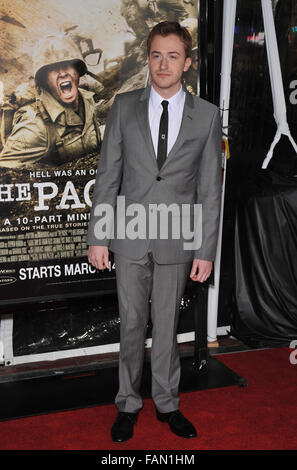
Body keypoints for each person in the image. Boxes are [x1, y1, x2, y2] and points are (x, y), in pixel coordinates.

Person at [87, 21, 222, 442]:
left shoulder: (207, 116)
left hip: (177, 237)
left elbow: (209, 190)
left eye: (173, 56)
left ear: (187, 63)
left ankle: (167, 402)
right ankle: (127, 403)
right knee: (131, 324)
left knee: (166, 325)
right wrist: (98, 236)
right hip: (128, 234)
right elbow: (108, 177)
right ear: (148, 58)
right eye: (157, 55)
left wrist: (205, 249)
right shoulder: (124, 107)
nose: (164, 64)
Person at [0, 35, 101, 168]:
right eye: (53, 69)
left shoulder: (88, 100)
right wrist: (44, 173)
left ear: (77, 71)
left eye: (68, 65)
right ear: (44, 80)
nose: (62, 73)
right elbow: (5, 168)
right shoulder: (35, 125)